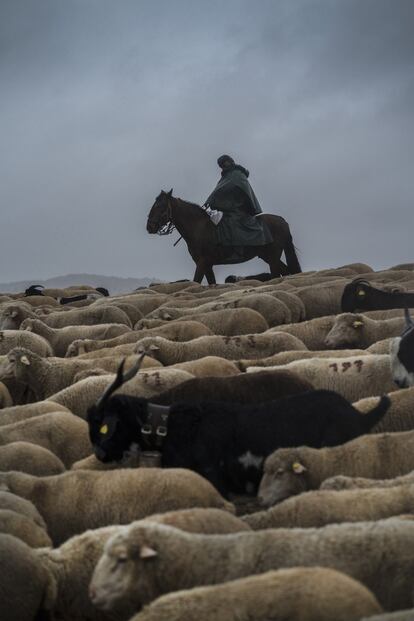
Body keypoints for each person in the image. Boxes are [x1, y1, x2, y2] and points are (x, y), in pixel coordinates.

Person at [205, 155, 273, 252]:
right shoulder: (226, 176)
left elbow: (228, 189)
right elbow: (218, 191)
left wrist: (216, 199)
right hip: (229, 206)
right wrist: (210, 201)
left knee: (231, 221)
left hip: (239, 206)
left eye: (224, 163)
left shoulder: (237, 174)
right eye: (221, 165)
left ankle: (239, 248)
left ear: (229, 161)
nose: (223, 166)